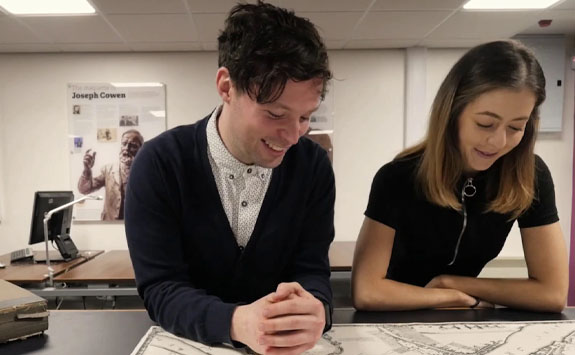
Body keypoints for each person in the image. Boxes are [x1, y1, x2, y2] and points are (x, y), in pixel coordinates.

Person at [125, 2, 335, 354]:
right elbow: (161, 288)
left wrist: (315, 307)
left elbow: (312, 270)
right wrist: (236, 322)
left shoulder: (312, 166)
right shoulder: (160, 163)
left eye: (305, 117)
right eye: (275, 114)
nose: (293, 136)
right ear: (226, 86)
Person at [352, 40, 568, 313]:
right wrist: (450, 297)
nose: (497, 141)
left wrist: (452, 283)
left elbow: (553, 293)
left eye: (516, 127)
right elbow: (368, 291)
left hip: (464, 319)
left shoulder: (531, 176)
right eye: (485, 123)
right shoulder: (398, 177)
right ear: (453, 110)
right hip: (397, 318)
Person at [78, 129, 144, 220]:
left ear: (141, 149)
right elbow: (84, 190)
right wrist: (87, 170)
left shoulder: (146, 172)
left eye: (133, 146)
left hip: (136, 225)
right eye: (124, 144)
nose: (126, 148)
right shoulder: (108, 170)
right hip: (110, 225)